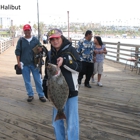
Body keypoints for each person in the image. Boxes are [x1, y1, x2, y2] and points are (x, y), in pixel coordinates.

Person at [44, 28, 82, 140]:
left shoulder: (71, 50)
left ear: (61, 37)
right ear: (50, 41)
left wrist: (65, 61)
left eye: (57, 38)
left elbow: (79, 67)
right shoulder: (50, 54)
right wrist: (44, 87)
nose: (55, 41)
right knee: (56, 123)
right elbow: (47, 74)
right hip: (56, 95)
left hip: (71, 93)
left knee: (72, 124)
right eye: (52, 39)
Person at [15, 24, 47, 102]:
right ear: (23, 31)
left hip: (35, 64)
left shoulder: (35, 39)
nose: (27, 32)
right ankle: (30, 94)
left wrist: (40, 48)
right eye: (25, 30)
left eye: (28, 30)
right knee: (27, 81)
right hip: (24, 64)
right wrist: (18, 62)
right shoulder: (21, 40)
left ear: (31, 30)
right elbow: (17, 52)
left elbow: (41, 47)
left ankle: (41, 95)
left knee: (38, 80)